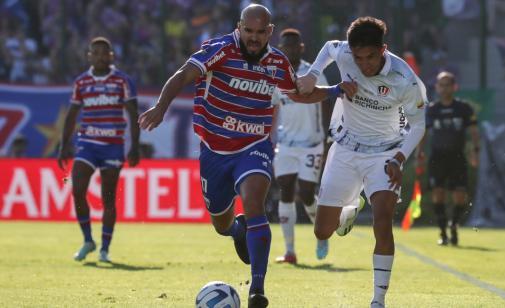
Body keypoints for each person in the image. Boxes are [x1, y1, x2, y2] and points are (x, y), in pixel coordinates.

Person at [138, 5, 300, 307]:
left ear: (270, 31)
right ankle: (237, 230)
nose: (253, 38)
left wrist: (335, 90)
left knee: (255, 204)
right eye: (248, 31)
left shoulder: (278, 62)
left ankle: (258, 290)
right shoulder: (220, 49)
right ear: (239, 28)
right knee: (221, 224)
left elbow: (301, 91)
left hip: (254, 145)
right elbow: (183, 75)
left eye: (260, 32)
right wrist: (161, 107)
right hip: (214, 151)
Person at [296, 16, 427, 307]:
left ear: (384, 49)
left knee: (383, 221)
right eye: (358, 58)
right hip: (345, 149)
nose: (363, 65)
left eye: (370, 57)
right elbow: (331, 47)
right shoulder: (344, 54)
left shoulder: (405, 79)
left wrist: (399, 157)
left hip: (385, 154)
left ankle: (378, 299)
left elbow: (418, 125)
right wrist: (313, 74)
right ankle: (350, 210)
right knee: (322, 231)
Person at [58, 37, 140, 263]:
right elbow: (72, 114)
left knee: (108, 199)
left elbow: (133, 114)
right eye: (96, 53)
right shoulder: (82, 82)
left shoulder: (122, 81)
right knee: (77, 189)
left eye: (105, 53)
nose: (100, 56)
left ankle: (104, 248)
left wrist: (135, 146)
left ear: (111, 56)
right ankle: (88, 240)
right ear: (89, 56)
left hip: (113, 147)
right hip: (87, 144)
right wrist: (63, 145)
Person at [270, 28, 330, 264]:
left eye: (294, 46)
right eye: (286, 46)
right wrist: (268, 136)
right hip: (285, 144)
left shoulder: (313, 74)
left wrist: (327, 138)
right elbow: (273, 107)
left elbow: (326, 102)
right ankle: (290, 251)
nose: (290, 50)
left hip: (311, 143)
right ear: (280, 49)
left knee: (305, 193)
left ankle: (322, 234)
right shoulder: (276, 76)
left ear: (301, 48)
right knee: (285, 191)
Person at [417, 71, 479, 246]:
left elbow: (474, 131)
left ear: (454, 87)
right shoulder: (432, 110)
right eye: (441, 84)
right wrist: (419, 153)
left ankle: (454, 224)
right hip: (438, 158)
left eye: (447, 84)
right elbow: (423, 133)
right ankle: (443, 232)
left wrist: (475, 151)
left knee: (460, 195)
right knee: (438, 193)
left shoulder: (464, 108)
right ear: (436, 87)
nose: (444, 88)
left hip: (458, 157)